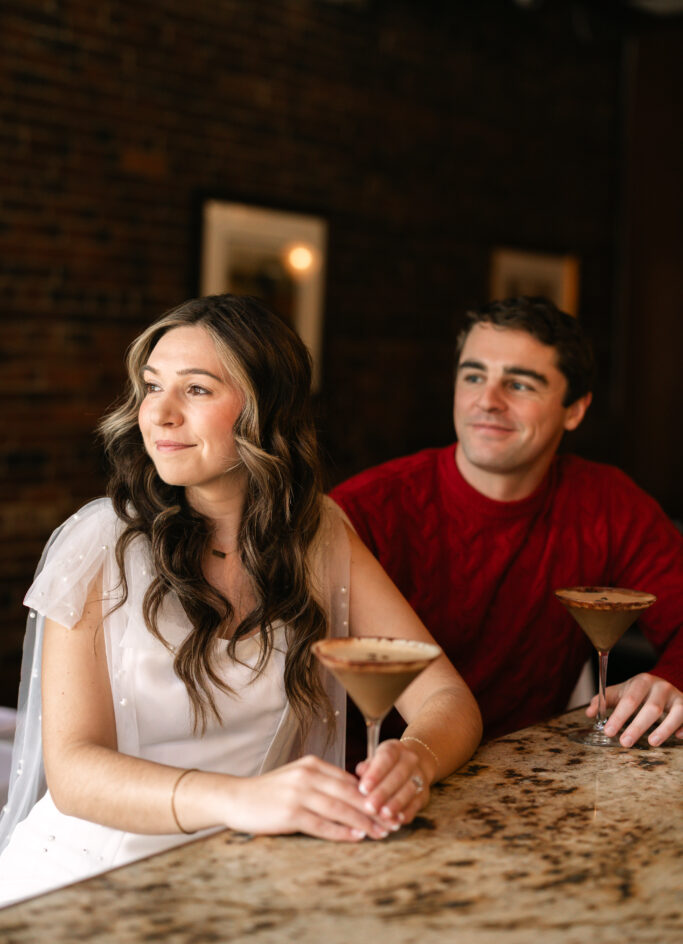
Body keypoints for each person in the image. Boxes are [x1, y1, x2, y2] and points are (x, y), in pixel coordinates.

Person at [0, 295, 482, 907]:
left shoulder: (319, 535)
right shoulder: (98, 545)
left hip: (245, 870)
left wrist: (414, 758)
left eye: (196, 390)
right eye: (152, 388)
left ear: (264, 412)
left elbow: (445, 696)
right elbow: (72, 773)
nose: (160, 415)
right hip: (93, 877)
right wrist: (241, 798)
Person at [332, 296, 683, 760]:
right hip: (377, 776)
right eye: (474, 376)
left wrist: (671, 683)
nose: (487, 401)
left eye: (520, 384)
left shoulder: (607, 502)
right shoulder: (364, 509)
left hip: (528, 774)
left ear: (574, 409)